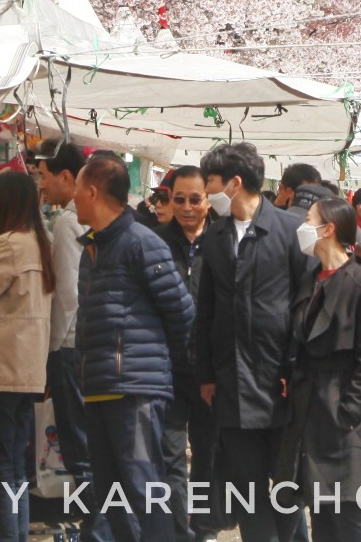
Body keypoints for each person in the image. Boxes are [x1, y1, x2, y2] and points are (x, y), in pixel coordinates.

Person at [73, 153, 194, 542]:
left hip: (137, 389)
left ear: (91, 192)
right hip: (100, 385)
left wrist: (157, 369)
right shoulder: (93, 247)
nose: (72, 199)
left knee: (144, 488)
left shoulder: (141, 242)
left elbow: (181, 312)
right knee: (112, 494)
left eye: (77, 190)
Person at [194, 141, 310, 542]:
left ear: (234, 183)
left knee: (287, 484)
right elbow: (205, 309)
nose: (207, 192)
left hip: (282, 381)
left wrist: (295, 367)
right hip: (232, 381)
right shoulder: (215, 237)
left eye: (210, 183)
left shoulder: (294, 231)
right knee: (246, 486)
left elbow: (307, 304)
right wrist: (206, 373)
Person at [0, 170, 55, 542]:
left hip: (1, 370)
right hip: (29, 370)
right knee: (17, 466)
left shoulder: (10, 244)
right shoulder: (40, 240)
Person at [292, 196, 361, 542]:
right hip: (310, 404)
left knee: (346, 508)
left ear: (328, 228)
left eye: (309, 220)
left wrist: (350, 409)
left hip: (343, 404)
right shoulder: (310, 280)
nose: (303, 227)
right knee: (319, 507)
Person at [156, 165, 225, 542]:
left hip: (210, 371)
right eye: (177, 199)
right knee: (169, 454)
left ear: (207, 201)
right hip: (165, 368)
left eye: (193, 199)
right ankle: (176, 528)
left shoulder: (223, 242)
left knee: (207, 452)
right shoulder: (154, 242)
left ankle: (204, 525)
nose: (185, 207)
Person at [31, 140, 94, 538]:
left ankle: (91, 523)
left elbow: (68, 293)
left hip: (70, 345)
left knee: (79, 442)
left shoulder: (70, 222)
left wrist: (52, 348)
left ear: (67, 177)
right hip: (90, 344)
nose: (41, 185)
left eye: (44, 176)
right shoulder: (93, 219)